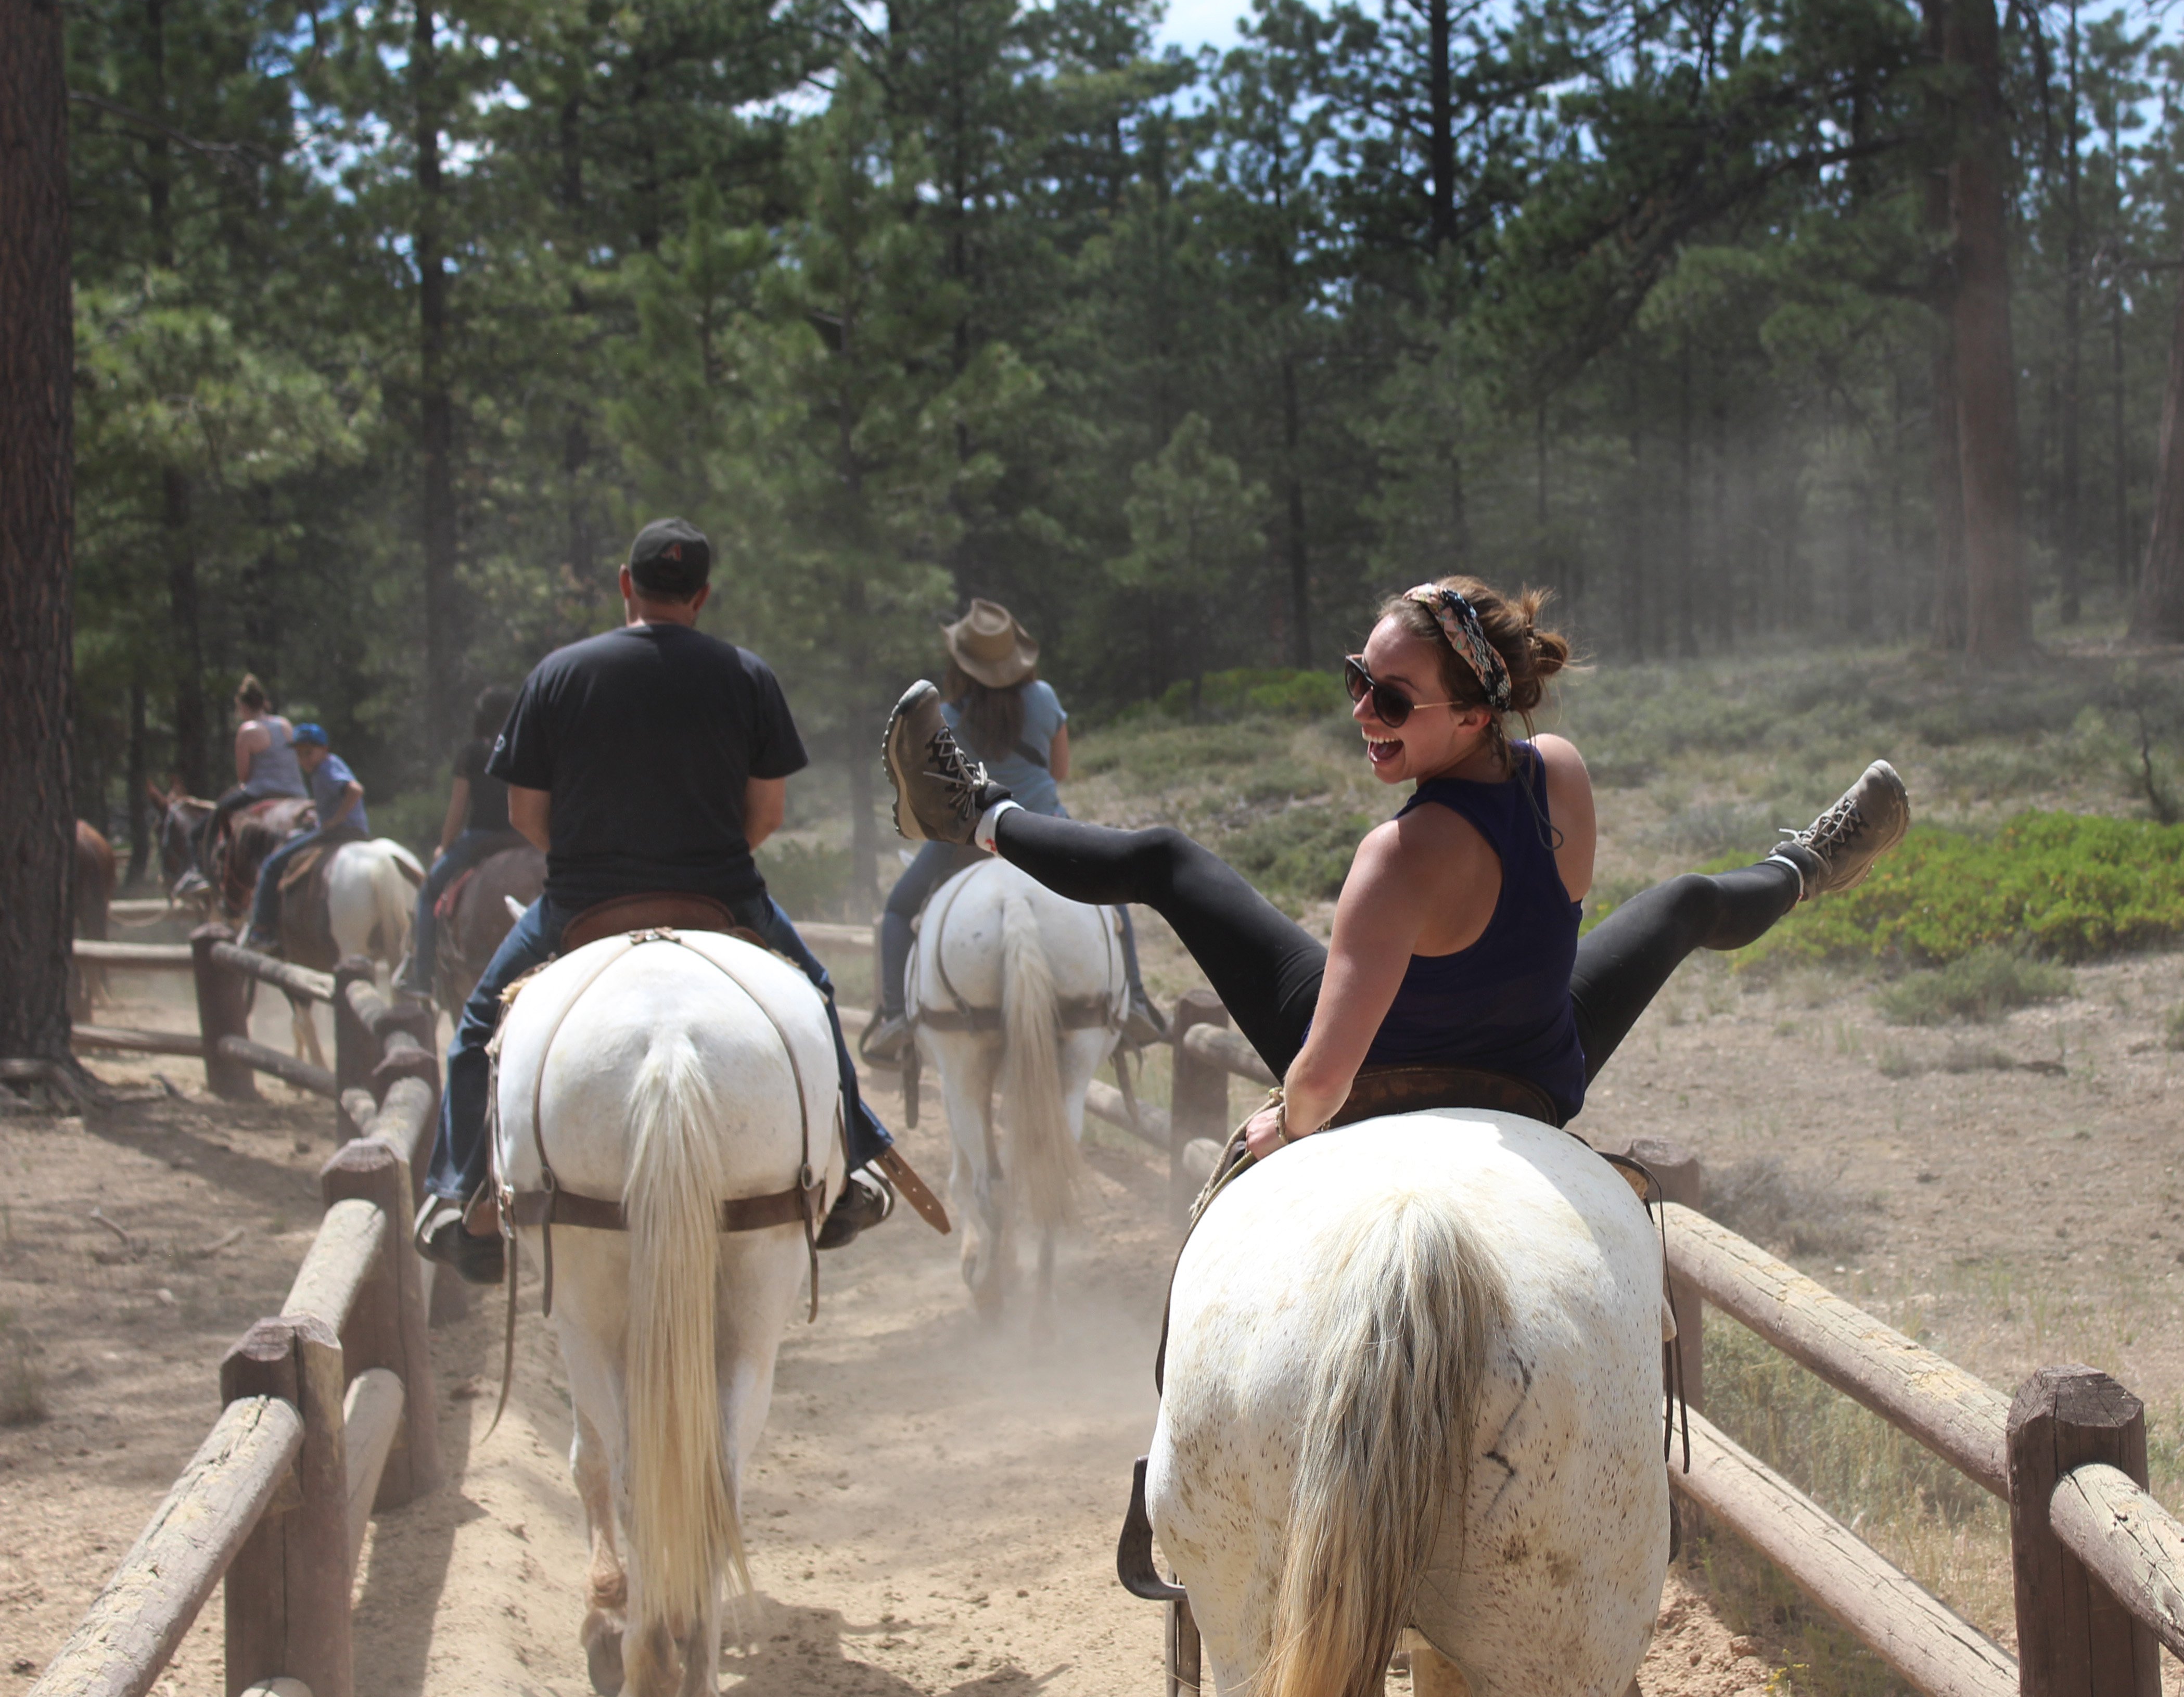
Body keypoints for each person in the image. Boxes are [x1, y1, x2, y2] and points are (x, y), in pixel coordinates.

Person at [884, 577, 1909, 1156]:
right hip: (1537, 1065)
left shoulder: (1397, 857)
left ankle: (972, 812)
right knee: (1683, 903)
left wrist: (1283, 1124)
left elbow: (1323, 1080)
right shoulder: (1559, 771)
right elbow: (1537, 937)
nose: (1361, 713)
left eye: (1391, 700)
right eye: (1357, 681)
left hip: (1383, 1077)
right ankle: (1812, 863)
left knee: (1164, 859)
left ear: (1471, 715)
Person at [413, 519, 901, 1285]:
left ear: (625, 584)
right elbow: (767, 814)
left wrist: (586, 862)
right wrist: (705, 861)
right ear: (701, 596)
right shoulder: (747, 675)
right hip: (722, 895)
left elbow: (523, 813)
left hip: (582, 900)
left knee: (478, 1025)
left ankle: (458, 1194)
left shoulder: (558, 673)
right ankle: (855, 1165)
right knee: (815, 996)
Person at [858, 598, 1168, 1063]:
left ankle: (896, 1017)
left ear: (961, 663)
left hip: (970, 841)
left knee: (899, 910)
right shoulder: (1044, 698)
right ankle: (1138, 1001)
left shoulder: (946, 716)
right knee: (1114, 894)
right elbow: (1060, 770)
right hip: (1046, 832)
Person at [397, 685, 529, 1000]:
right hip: (523, 838)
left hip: (481, 839)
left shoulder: (472, 754)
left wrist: (444, 846)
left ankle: (423, 977)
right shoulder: (526, 748)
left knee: (429, 894)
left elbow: (458, 809)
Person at [239, 723, 368, 953]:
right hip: (349, 829)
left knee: (272, 865)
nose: (304, 760)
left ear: (324, 750)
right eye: (299, 755)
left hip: (339, 832)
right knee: (293, 837)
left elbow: (355, 790)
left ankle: (262, 929)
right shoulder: (328, 766)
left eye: (309, 753)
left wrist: (336, 820)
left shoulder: (326, 769)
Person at [198, 675, 309, 872]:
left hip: (261, 793)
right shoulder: (284, 724)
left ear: (243, 706)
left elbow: (244, 777)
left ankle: (205, 871)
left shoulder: (247, 731)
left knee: (217, 817)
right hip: (296, 792)